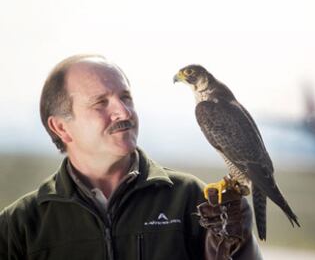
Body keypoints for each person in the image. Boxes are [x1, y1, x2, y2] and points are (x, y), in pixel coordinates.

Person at [0, 54, 262, 259]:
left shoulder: (197, 201)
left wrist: (232, 252)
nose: (124, 113)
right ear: (61, 127)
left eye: (126, 98)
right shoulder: (19, 225)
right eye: (100, 103)